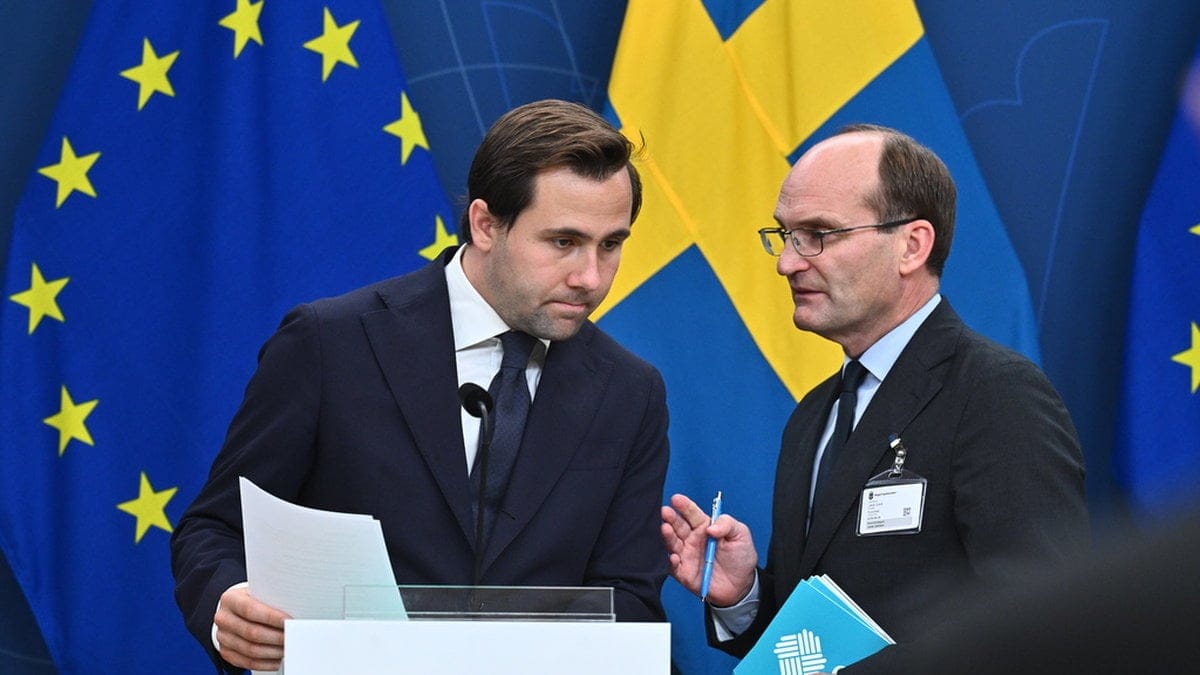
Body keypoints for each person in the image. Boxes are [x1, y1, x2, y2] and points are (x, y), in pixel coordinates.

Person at [171, 99, 670, 673]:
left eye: (611, 244)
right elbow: (215, 528)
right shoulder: (330, 344)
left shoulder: (630, 392)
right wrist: (227, 603)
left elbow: (628, 598)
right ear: (486, 224)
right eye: (563, 242)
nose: (590, 277)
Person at [660, 124, 1089, 668]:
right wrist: (744, 595)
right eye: (786, 235)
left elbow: (1040, 624)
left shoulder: (996, 394)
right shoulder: (813, 416)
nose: (787, 262)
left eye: (818, 234)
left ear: (912, 246)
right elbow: (809, 644)